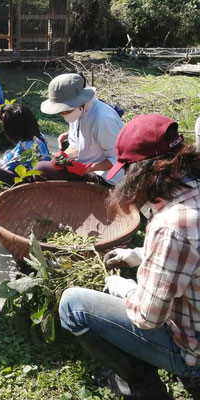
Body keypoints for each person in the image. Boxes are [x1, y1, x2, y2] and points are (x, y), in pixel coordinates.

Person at [58, 114, 200, 399]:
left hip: (193, 349)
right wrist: (138, 254)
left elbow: (148, 317)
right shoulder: (191, 195)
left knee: (72, 304)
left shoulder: (171, 226)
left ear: (147, 172)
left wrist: (125, 288)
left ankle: (143, 387)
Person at [34, 73, 124, 187]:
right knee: (42, 169)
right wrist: (64, 156)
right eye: (61, 112)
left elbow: (119, 160)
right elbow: (75, 146)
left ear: (80, 102)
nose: (63, 114)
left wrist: (87, 168)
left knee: (41, 169)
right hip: (88, 167)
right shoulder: (78, 113)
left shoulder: (102, 119)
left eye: (66, 111)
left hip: (107, 177)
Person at [0, 104, 50, 186]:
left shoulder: (27, 147)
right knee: (8, 152)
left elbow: (9, 165)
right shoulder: (34, 136)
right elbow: (12, 155)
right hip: (30, 170)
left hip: (34, 183)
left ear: (13, 131)